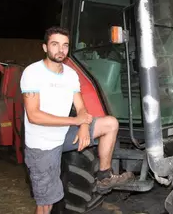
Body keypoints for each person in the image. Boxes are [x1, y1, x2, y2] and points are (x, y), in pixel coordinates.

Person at [21, 26, 134, 214]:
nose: (60, 50)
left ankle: (104, 176)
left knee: (110, 124)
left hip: (64, 134)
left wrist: (83, 125)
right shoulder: (33, 73)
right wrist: (76, 122)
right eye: (55, 44)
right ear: (45, 47)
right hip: (43, 146)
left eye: (65, 45)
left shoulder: (70, 74)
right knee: (46, 204)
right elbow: (34, 116)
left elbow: (81, 108)